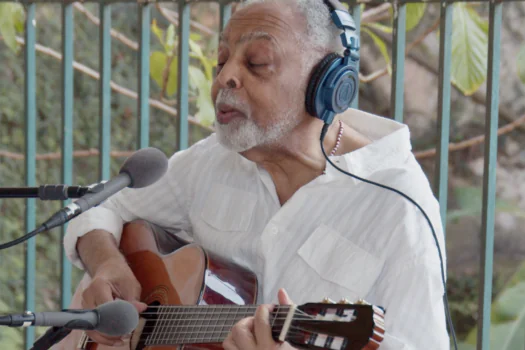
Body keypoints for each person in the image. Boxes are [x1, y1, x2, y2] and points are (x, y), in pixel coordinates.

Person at [57, 0, 450, 349]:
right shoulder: (215, 159)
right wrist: (108, 264)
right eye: (222, 60)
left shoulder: (399, 207)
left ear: (326, 84)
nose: (224, 77)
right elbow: (100, 204)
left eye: (256, 62)